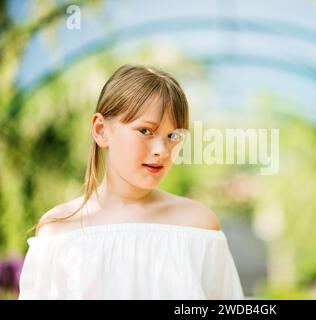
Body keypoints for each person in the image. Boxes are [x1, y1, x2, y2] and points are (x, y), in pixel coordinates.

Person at [18, 64, 244, 299]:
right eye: (145, 131)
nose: (162, 151)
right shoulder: (58, 231)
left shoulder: (198, 226)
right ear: (101, 130)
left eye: (173, 136)